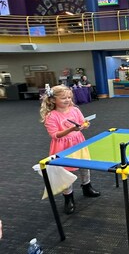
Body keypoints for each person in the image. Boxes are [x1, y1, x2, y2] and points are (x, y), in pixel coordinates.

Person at [40, 85, 100, 215]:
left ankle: (87, 187)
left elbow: (82, 122)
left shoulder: (75, 110)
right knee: (64, 171)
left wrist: (84, 124)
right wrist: (71, 129)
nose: (67, 100)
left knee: (84, 165)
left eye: (69, 97)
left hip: (78, 142)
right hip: (62, 146)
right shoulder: (51, 116)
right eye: (63, 98)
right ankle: (68, 198)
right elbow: (55, 135)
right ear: (53, 99)